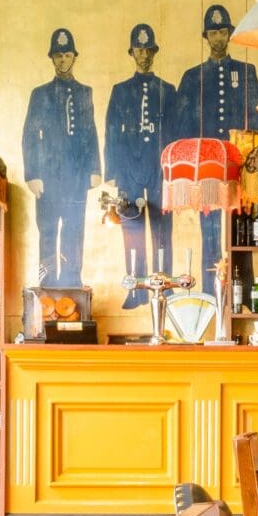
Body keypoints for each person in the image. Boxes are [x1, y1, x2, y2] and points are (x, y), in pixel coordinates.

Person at [173, 2, 258, 284]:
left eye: (223, 32)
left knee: (240, 233)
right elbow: (182, 125)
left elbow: (257, 116)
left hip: (238, 168)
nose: (218, 38)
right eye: (213, 33)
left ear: (230, 34)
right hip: (207, 172)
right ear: (206, 37)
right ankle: (213, 294)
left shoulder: (246, 72)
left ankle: (241, 296)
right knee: (210, 232)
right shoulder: (192, 77)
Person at [21, 28, 100, 290]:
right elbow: (30, 136)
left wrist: (94, 169)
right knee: (48, 229)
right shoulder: (40, 94)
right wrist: (32, 174)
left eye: (67, 55)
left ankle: (71, 279)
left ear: (74, 57)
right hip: (48, 175)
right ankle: (47, 281)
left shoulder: (84, 92)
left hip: (76, 175)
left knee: (74, 230)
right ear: (52, 59)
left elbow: (91, 132)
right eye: (58, 55)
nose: (63, 60)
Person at [104, 22, 174, 307]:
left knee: (162, 227)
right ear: (131, 52)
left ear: (154, 52)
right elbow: (110, 130)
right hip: (128, 167)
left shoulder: (167, 90)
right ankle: (135, 289)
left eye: (148, 50)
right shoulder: (121, 91)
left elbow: (175, 129)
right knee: (131, 228)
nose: (143, 55)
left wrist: (172, 169)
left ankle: (165, 285)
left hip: (159, 167)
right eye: (138, 50)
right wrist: (113, 172)